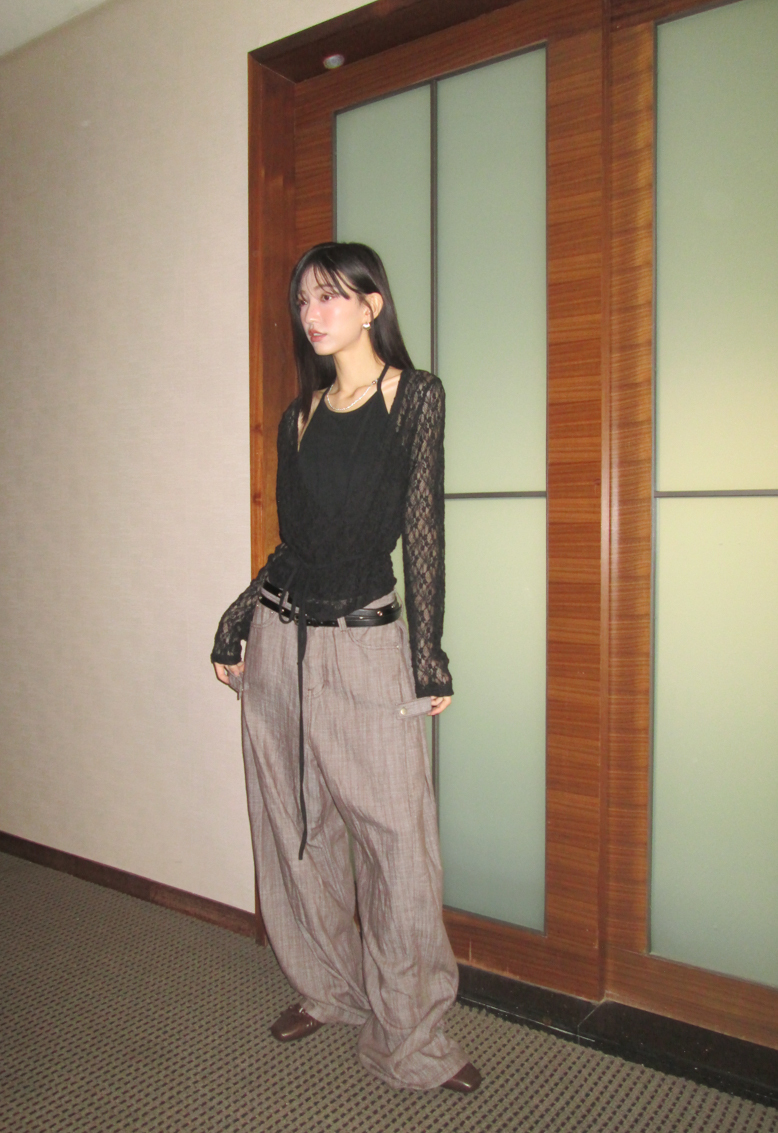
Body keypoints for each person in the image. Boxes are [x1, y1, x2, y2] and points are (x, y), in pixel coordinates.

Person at [211, 242, 481, 1094]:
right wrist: (237, 617)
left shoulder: (415, 397)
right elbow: (295, 545)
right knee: (297, 832)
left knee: (400, 848)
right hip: (281, 641)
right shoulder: (299, 416)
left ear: (372, 304)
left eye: (330, 296)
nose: (313, 313)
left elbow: (423, 530)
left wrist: (428, 654)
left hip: (365, 645)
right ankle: (329, 990)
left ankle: (412, 1039)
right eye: (304, 300)